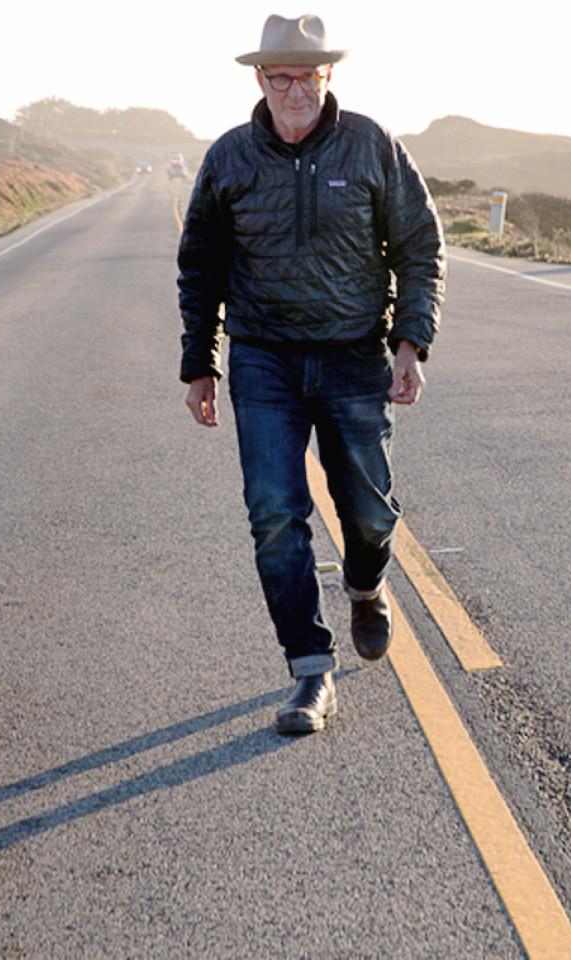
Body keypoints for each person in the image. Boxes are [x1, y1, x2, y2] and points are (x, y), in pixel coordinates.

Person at [178, 14, 445, 735]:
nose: (296, 90)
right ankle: (310, 671)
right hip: (263, 359)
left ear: (329, 76)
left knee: (368, 511)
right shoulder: (229, 158)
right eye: (281, 77)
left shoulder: (370, 145)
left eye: (309, 76)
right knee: (274, 514)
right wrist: (200, 363)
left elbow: (419, 246)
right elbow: (200, 266)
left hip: (355, 356)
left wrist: (410, 343)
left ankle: (365, 585)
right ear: (259, 79)